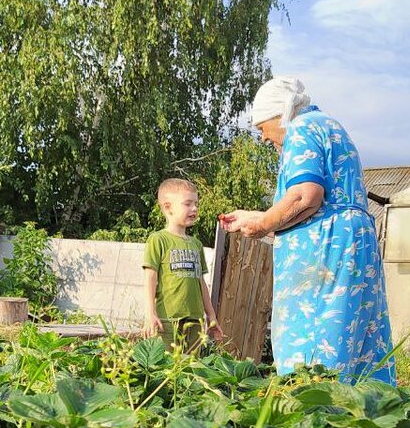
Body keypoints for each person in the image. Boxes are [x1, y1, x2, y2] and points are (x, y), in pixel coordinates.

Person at [220, 77, 396, 384]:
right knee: (355, 347)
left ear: (281, 114)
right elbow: (317, 203)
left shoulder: (300, 128)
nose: (263, 138)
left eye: (262, 127)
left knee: (316, 349)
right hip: (350, 245)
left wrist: (262, 225)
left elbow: (305, 196)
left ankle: (315, 420)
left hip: (327, 254)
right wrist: (259, 217)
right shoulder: (329, 126)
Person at [143, 178, 224, 350]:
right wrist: (150, 313)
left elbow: (201, 283)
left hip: (195, 321)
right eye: (187, 204)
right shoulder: (158, 240)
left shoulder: (196, 244)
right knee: (166, 369)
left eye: (196, 203)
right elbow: (150, 278)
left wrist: (211, 315)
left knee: (190, 370)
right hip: (168, 320)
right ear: (167, 207)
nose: (194, 208)